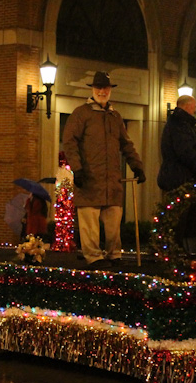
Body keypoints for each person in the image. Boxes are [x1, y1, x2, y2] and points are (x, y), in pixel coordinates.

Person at [62, 71, 145, 268]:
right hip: (89, 178)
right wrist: (77, 169)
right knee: (89, 222)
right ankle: (93, 256)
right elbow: (69, 142)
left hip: (111, 180)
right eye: (99, 87)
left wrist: (137, 166)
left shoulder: (115, 116)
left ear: (109, 90)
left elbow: (126, 144)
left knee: (113, 220)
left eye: (105, 88)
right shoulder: (81, 114)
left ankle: (113, 254)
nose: (102, 91)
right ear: (93, 89)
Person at [157, 95, 196, 258]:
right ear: (187, 107)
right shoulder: (180, 125)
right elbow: (185, 153)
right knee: (182, 221)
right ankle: (181, 255)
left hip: (176, 177)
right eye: (194, 107)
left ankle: (181, 253)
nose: (195, 111)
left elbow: (185, 147)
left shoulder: (177, 124)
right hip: (180, 179)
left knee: (182, 220)